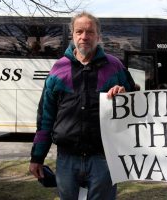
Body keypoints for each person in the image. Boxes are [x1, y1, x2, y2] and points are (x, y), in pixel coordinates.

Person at [29, 12, 136, 200]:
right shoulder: (58, 69)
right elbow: (46, 117)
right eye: (79, 31)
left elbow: (135, 105)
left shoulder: (115, 67)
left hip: (104, 159)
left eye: (90, 32)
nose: (84, 37)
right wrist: (37, 158)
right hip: (66, 160)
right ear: (72, 34)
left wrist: (124, 95)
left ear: (98, 36)